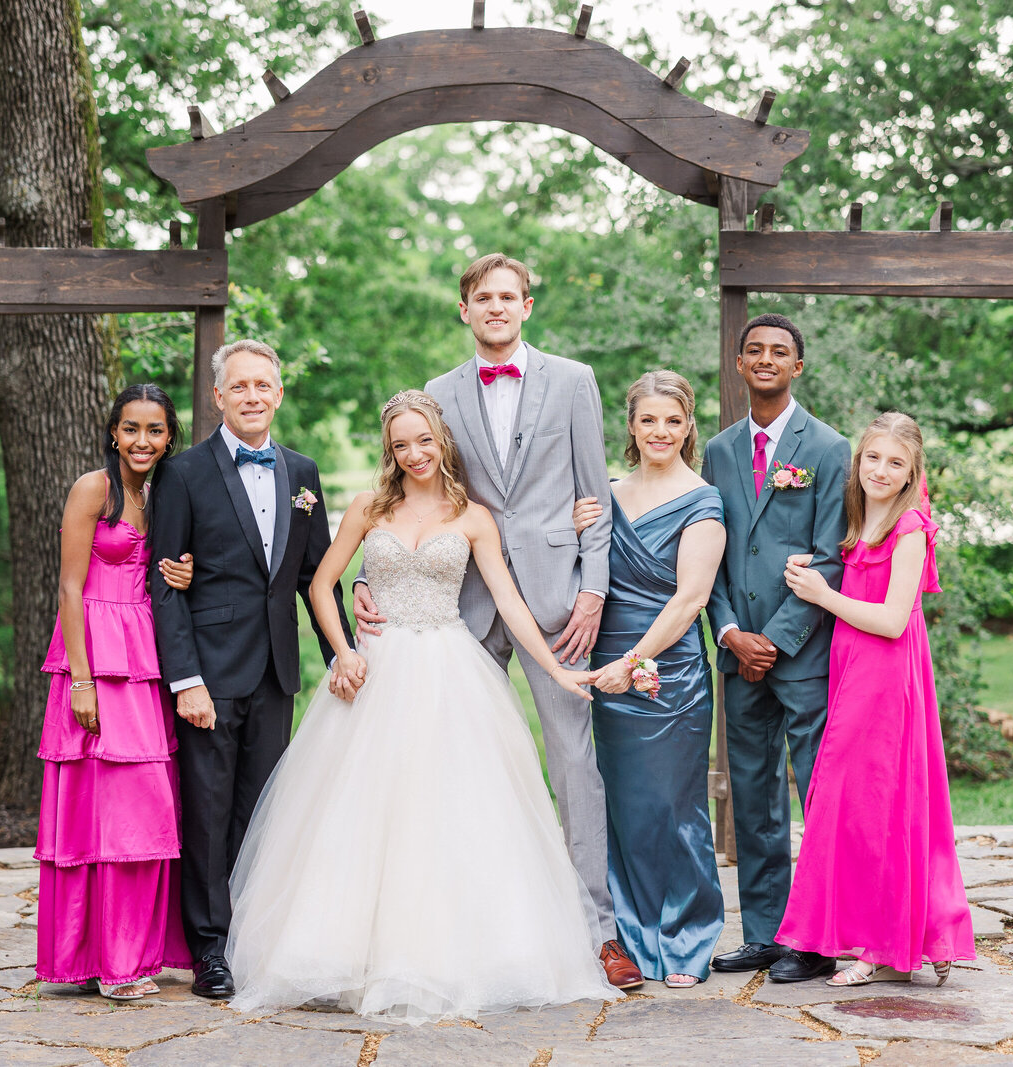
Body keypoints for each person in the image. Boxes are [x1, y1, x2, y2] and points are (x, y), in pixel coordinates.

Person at [224, 390, 618, 1023]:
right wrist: (343, 652)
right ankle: (347, 953)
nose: (415, 454)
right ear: (391, 450)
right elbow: (321, 583)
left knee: (448, 811)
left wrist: (557, 669)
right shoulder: (369, 508)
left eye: (424, 441)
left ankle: (447, 953)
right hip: (376, 672)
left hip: (447, 668)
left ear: (442, 440)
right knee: (361, 809)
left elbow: (511, 603)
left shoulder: (473, 517)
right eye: (401, 444)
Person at [352, 254, 640, 990]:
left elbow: (593, 491)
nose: (496, 307)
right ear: (465, 309)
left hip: (554, 602)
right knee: (447, 767)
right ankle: (463, 928)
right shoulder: (440, 393)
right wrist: (369, 576)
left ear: (527, 306)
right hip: (460, 605)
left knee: (574, 765)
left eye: (508, 297)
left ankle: (595, 931)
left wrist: (593, 590)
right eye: (483, 298)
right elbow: (410, 488)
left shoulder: (574, 381)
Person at [148, 339, 350, 1001]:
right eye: (240, 386)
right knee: (206, 813)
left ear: (279, 393)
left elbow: (317, 578)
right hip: (208, 673)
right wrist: (186, 680)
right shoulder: (183, 473)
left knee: (262, 813)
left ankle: (250, 938)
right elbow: (165, 585)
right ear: (219, 396)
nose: (253, 396)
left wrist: (339, 656)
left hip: (275, 674)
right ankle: (209, 948)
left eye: (264, 384)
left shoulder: (302, 472)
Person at [774, 412, 974, 985]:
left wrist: (822, 594)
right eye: (872, 458)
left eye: (895, 463)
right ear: (857, 460)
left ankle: (874, 946)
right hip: (851, 672)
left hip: (885, 679)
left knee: (876, 808)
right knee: (856, 807)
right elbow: (855, 577)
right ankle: (906, 930)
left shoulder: (910, 526)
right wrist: (812, 572)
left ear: (913, 472)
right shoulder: (863, 514)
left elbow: (890, 620)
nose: (880, 470)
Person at [702, 313, 851, 982]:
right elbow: (707, 555)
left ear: (797, 366)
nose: (766, 359)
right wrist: (732, 632)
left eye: (780, 351)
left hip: (803, 653)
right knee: (754, 798)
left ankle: (817, 938)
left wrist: (780, 637)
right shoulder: (716, 450)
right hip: (738, 652)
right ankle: (764, 932)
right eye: (754, 349)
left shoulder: (828, 448)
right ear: (739, 364)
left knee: (817, 797)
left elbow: (831, 557)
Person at [569, 371, 728, 989]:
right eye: (648, 420)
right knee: (622, 807)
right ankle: (630, 938)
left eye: (673, 420)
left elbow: (690, 600)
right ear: (631, 427)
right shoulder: (605, 494)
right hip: (605, 669)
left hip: (668, 672)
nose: (660, 431)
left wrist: (632, 661)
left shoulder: (703, 501)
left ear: (688, 427)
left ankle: (685, 939)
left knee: (674, 805)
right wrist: (578, 520)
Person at [35, 383, 193, 1000]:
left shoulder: (163, 492)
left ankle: (135, 952)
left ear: (168, 437)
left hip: (145, 658)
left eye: (154, 430)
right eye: (131, 429)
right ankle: (102, 963)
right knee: (97, 815)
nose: (142, 441)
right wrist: (80, 679)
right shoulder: (92, 489)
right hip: (95, 659)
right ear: (112, 432)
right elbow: (70, 587)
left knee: (145, 811)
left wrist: (180, 569)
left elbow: (172, 569)